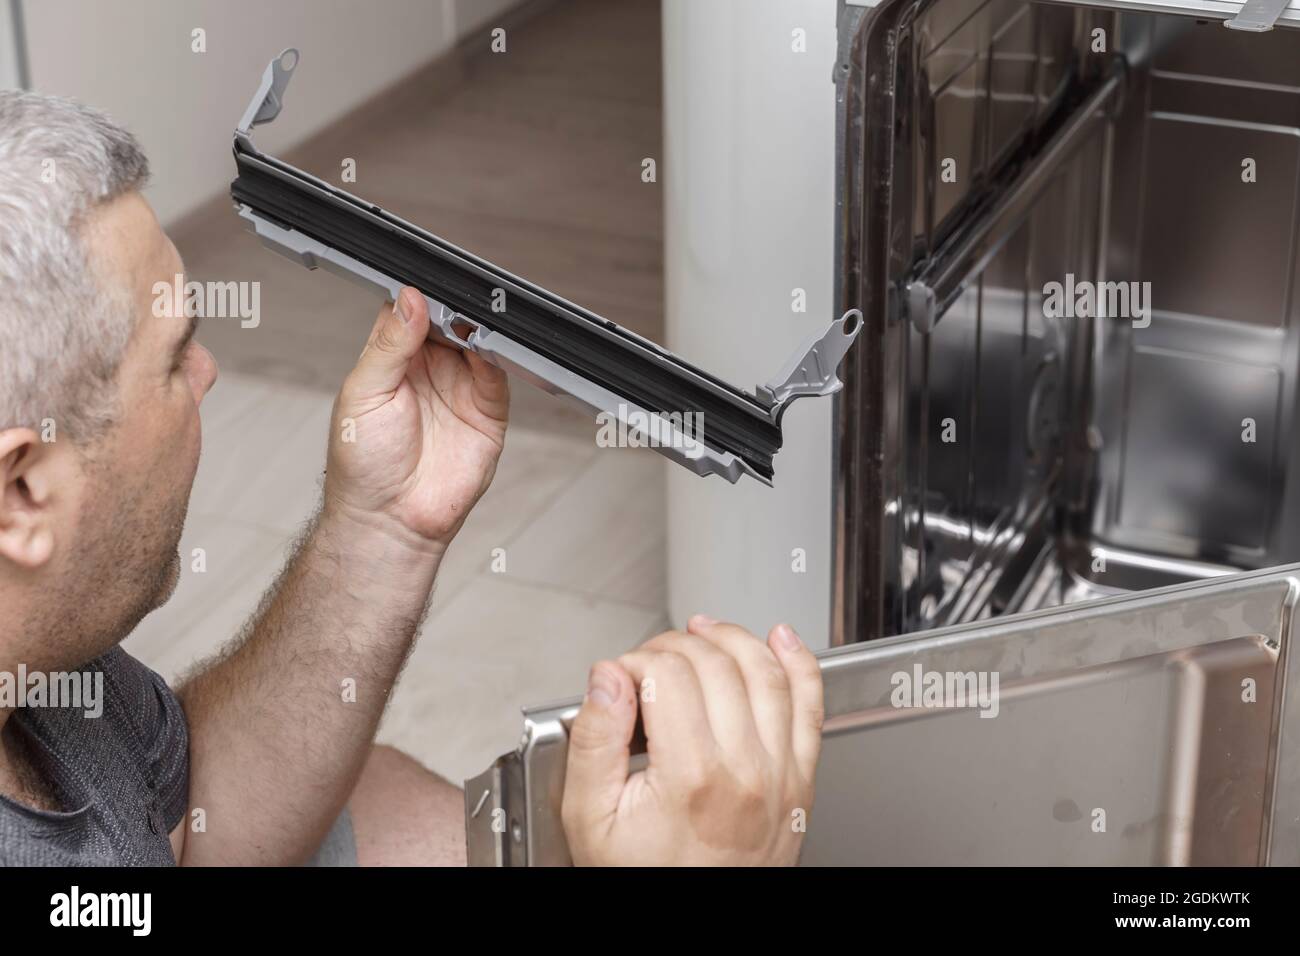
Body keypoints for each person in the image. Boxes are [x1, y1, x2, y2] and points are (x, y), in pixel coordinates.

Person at [0, 90, 823, 866]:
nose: (209, 371)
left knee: (381, 791)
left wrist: (383, 528)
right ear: (22, 492)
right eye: (175, 357)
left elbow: (196, 824)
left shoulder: (50, 663)